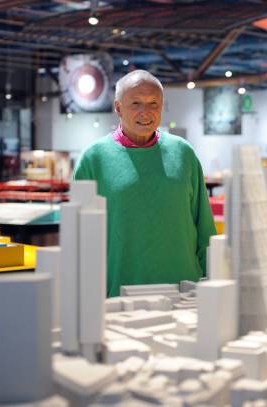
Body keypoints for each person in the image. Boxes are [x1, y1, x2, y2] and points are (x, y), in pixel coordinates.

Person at [74, 70, 216, 297]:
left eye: (153, 104)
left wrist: (212, 282)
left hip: (185, 290)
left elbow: (204, 226)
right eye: (136, 103)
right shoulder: (93, 159)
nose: (145, 112)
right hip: (119, 291)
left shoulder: (183, 153)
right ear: (118, 107)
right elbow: (78, 238)